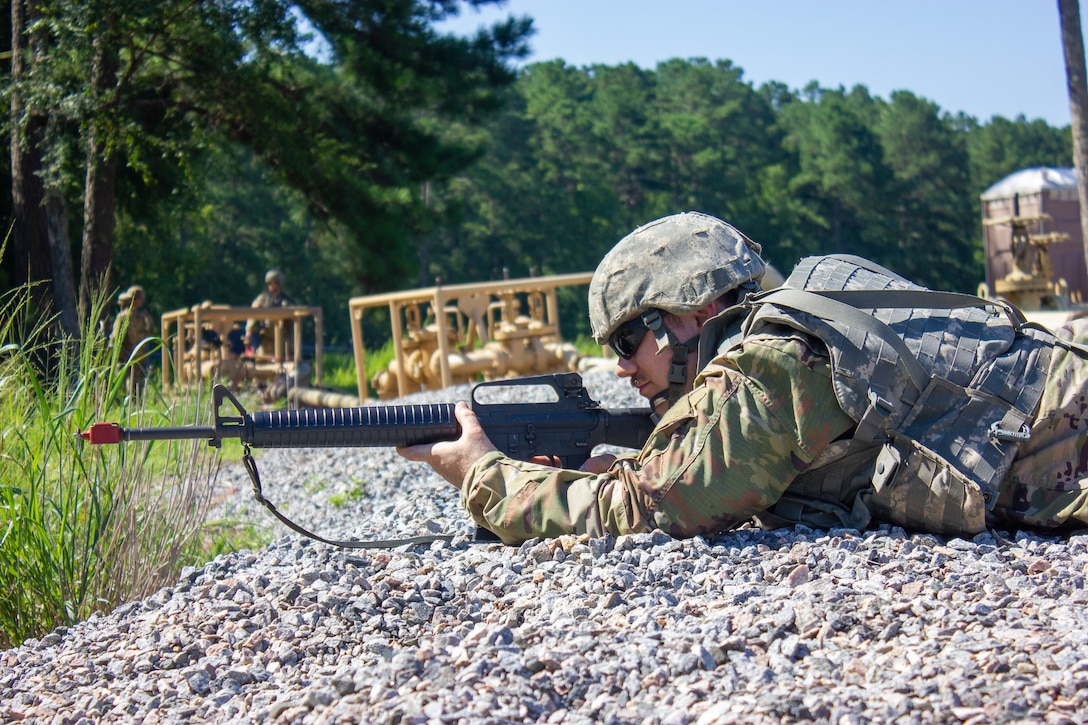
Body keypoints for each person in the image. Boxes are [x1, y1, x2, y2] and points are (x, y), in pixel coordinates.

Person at [399, 211, 1088, 544]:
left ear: (692, 312)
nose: (619, 364)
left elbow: (655, 509)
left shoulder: (774, 361)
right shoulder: (811, 319)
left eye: (629, 337)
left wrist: (485, 475)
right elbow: (724, 466)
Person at [110, 285, 156, 389]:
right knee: (124, 386)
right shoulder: (125, 317)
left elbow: (150, 331)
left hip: (138, 356)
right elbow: (116, 338)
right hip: (126, 357)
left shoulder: (142, 315)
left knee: (136, 386)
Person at [245, 269, 296, 357]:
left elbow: (296, 317)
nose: (270, 285)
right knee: (263, 362)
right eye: (268, 283)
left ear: (278, 283)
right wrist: (248, 335)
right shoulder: (262, 300)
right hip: (266, 339)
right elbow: (252, 316)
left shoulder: (287, 301)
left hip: (283, 340)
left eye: (272, 283)